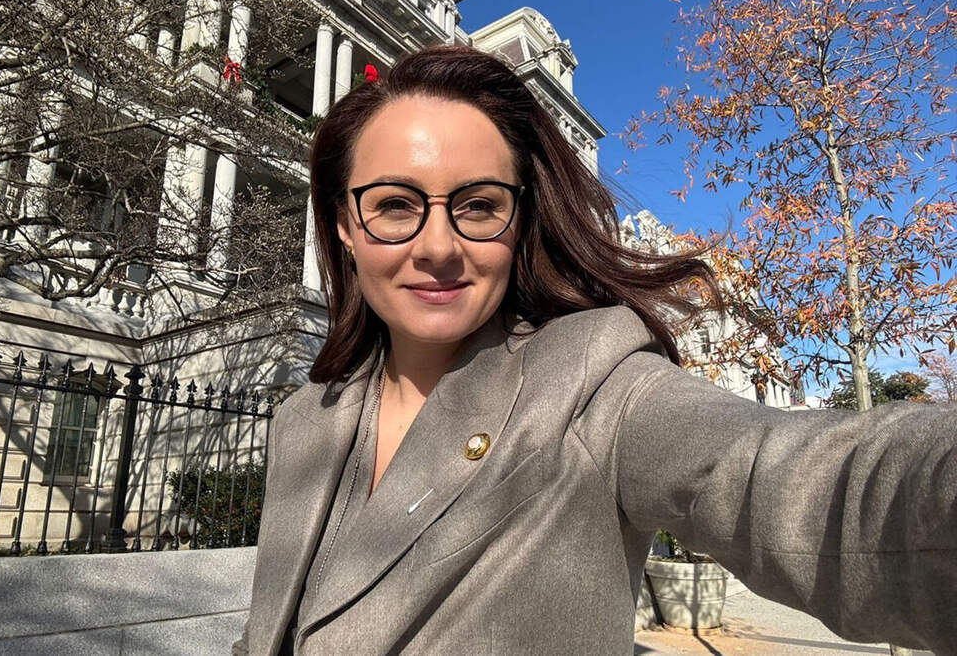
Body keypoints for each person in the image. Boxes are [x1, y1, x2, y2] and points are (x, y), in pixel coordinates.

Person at [233, 44, 956, 655]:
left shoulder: (594, 381)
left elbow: (791, 478)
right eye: (395, 204)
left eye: (479, 205)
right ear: (345, 225)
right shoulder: (305, 418)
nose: (439, 247)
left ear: (521, 222)